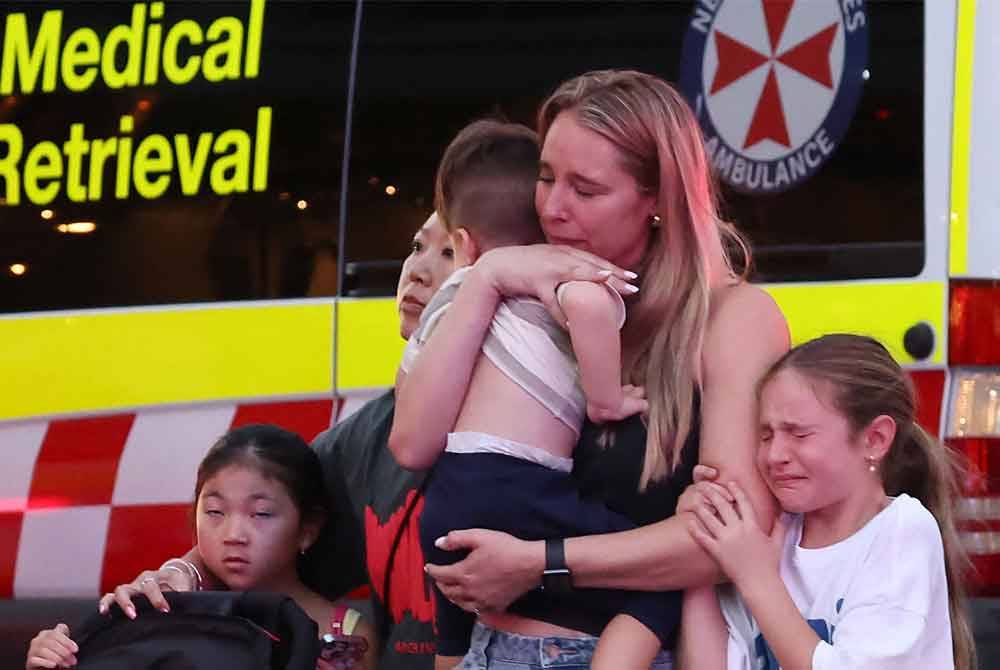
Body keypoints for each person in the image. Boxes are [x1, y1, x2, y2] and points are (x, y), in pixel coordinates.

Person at [389, 69, 789, 668]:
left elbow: (728, 544)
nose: (552, 208)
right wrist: (491, 278)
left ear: (658, 199)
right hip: (486, 648)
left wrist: (538, 561)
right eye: (546, 178)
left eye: (587, 190)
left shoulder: (732, 320)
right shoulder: (523, 292)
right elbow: (413, 445)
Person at [98, 212, 457, 670]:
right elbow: (257, 509)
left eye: (449, 252)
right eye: (416, 246)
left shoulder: (553, 422)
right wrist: (178, 575)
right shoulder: (366, 437)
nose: (418, 270)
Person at [392, 118, 671, 670]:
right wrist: (606, 400)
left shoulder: (453, 301)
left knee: (454, 582)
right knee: (659, 583)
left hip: (448, 491)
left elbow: (409, 417)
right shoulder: (554, 275)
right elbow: (590, 309)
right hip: (518, 484)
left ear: (464, 243)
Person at [675, 334, 976, 670]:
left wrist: (756, 578)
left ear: (874, 439)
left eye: (799, 434)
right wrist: (703, 548)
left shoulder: (901, 530)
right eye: (766, 435)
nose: (775, 455)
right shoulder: (771, 536)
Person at [26, 424, 376, 670]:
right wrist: (57, 656)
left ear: (307, 530)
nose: (233, 533)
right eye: (214, 512)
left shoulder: (349, 637)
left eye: (261, 514)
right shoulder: (165, 605)